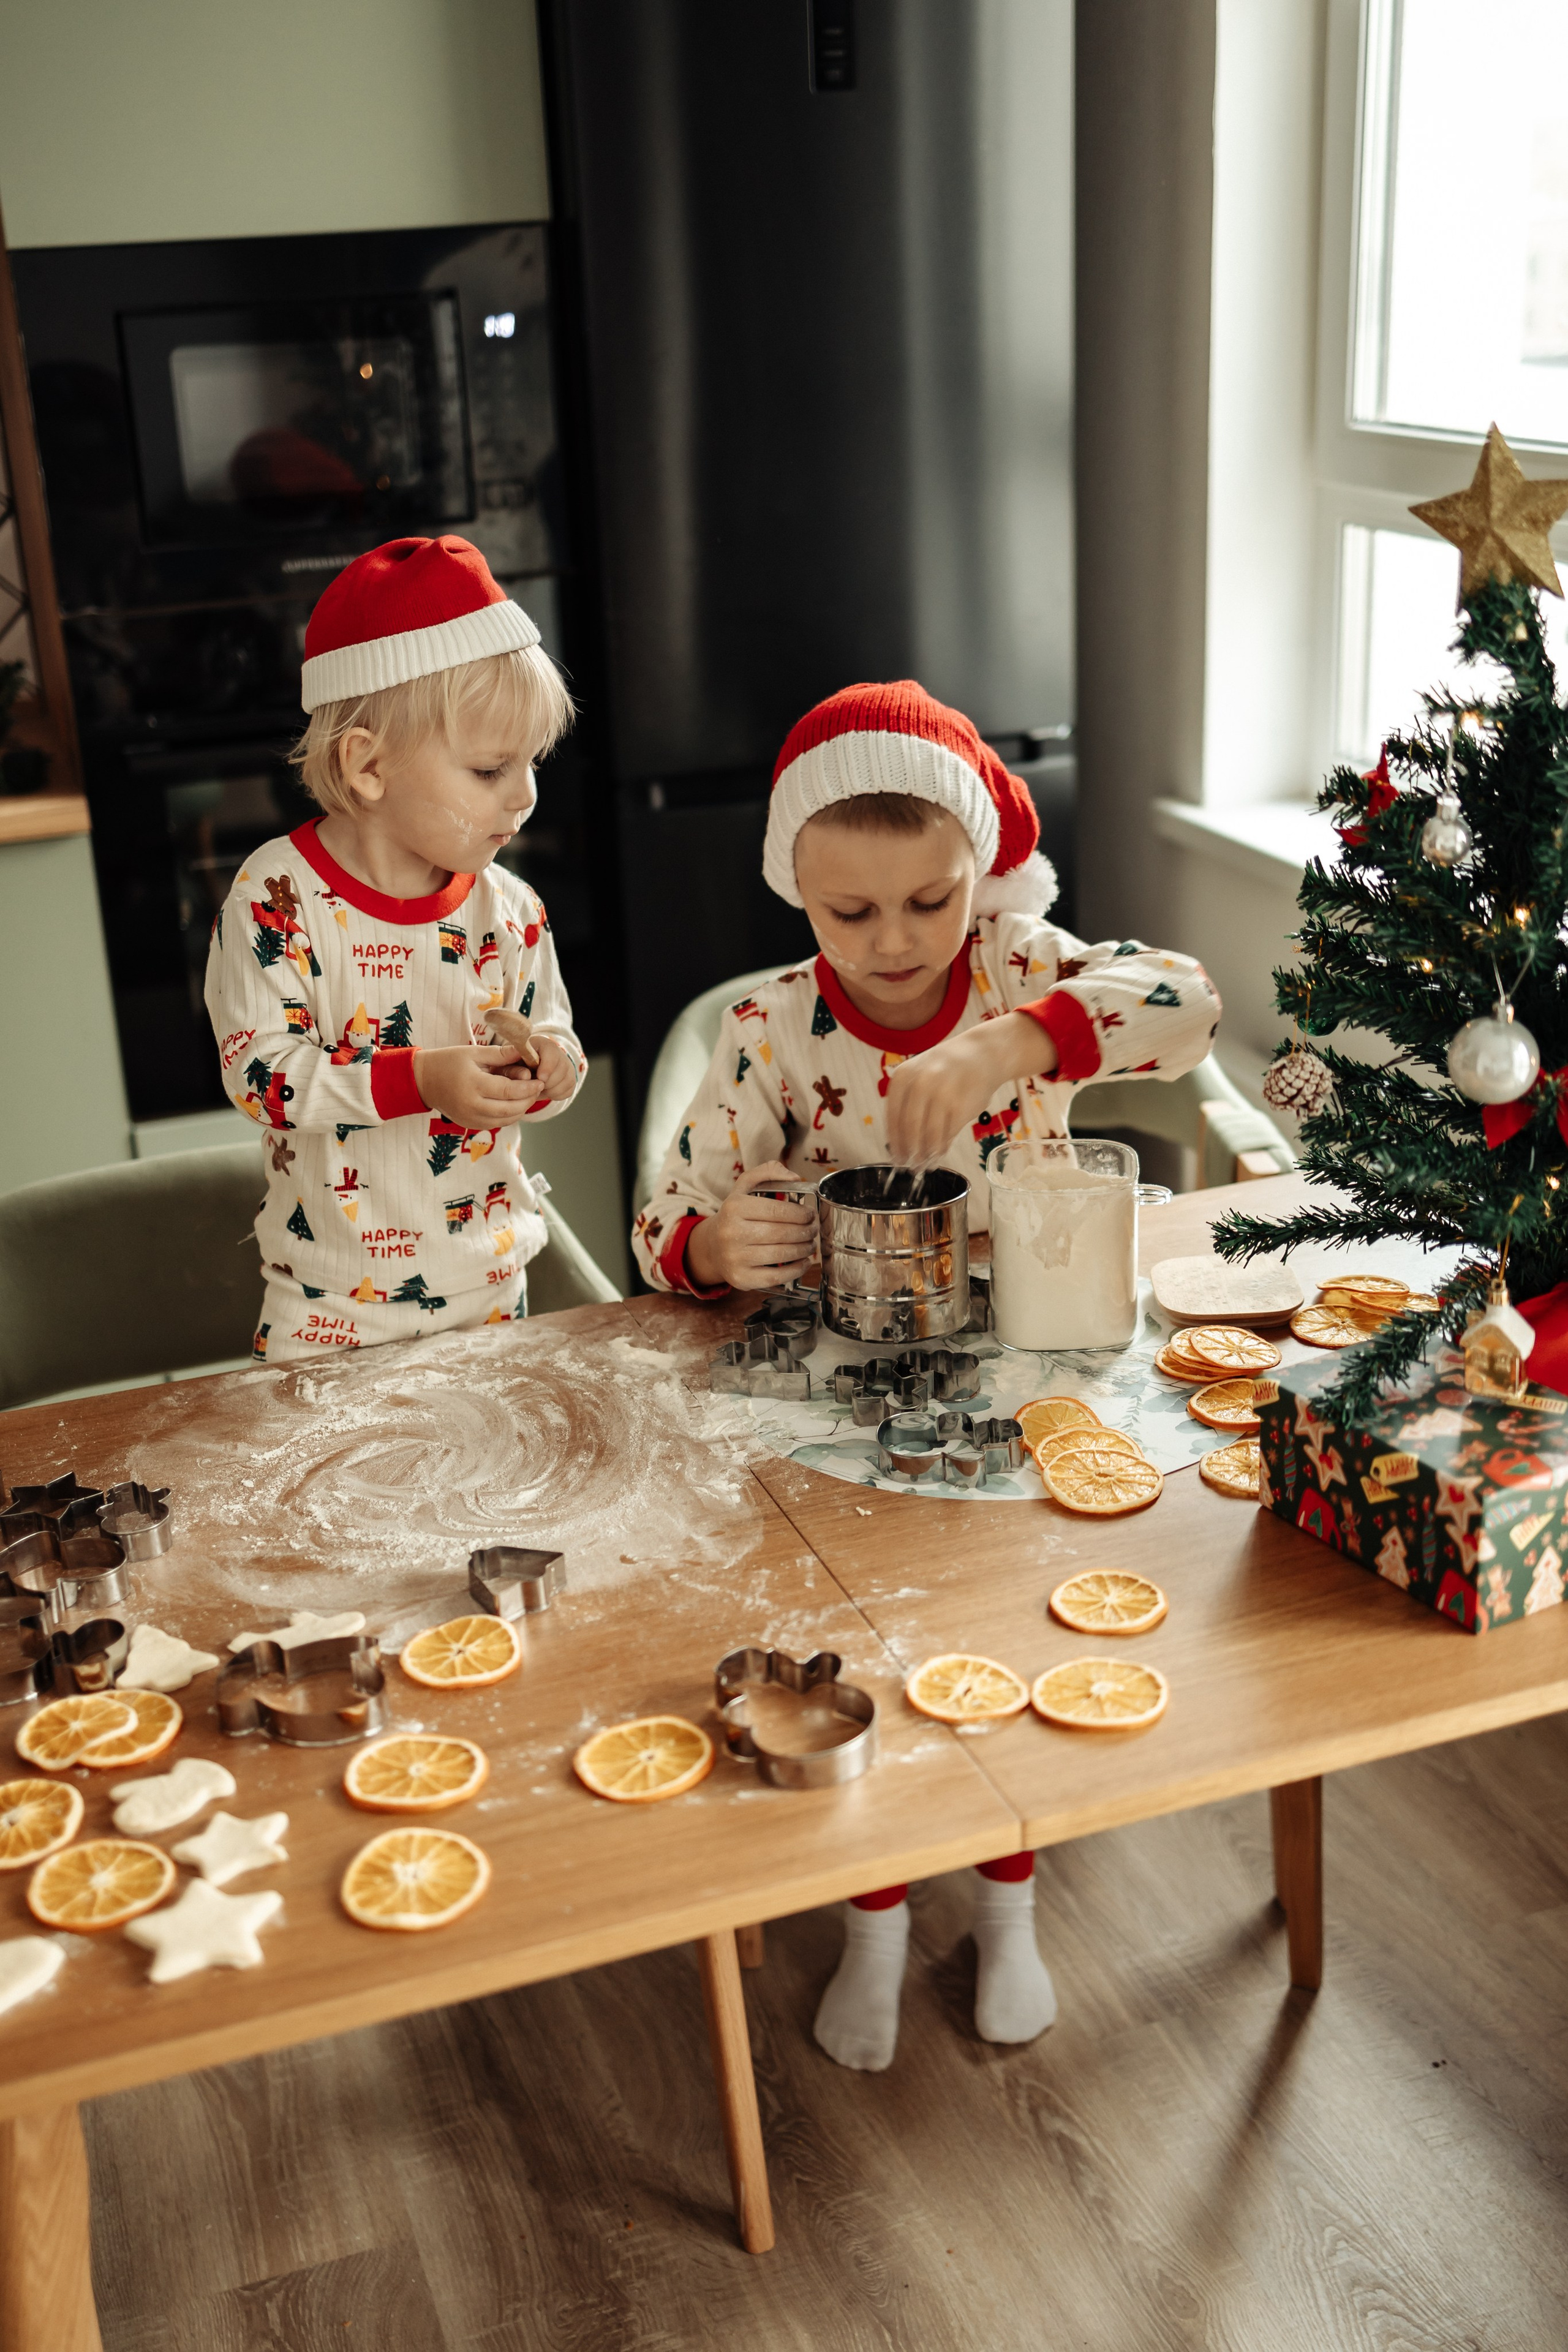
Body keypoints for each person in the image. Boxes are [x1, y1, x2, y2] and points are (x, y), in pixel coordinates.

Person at [632, 678, 1221, 2070]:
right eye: (849, 912)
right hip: (846, 1404)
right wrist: (715, 1243)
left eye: (930, 901)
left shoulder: (1021, 967)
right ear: (794, 889)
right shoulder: (769, 1030)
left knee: (1008, 1646)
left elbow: (1187, 1004)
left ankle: (1010, 1915)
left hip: (1027, 1375)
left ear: (981, 875)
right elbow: (662, 1222)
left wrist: (1019, 1036)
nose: (893, 944)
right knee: (874, 1657)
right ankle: (877, 1920)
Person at [205, 534, 582, 1364]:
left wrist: (554, 1067)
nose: (525, 795)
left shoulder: (510, 909)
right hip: (330, 1310)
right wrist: (421, 1078)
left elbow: (551, 1035)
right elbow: (262, 1078)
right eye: (490, 770)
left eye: (531, 763)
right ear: (368, 766)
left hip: (492, 1291)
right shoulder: (276, 900)